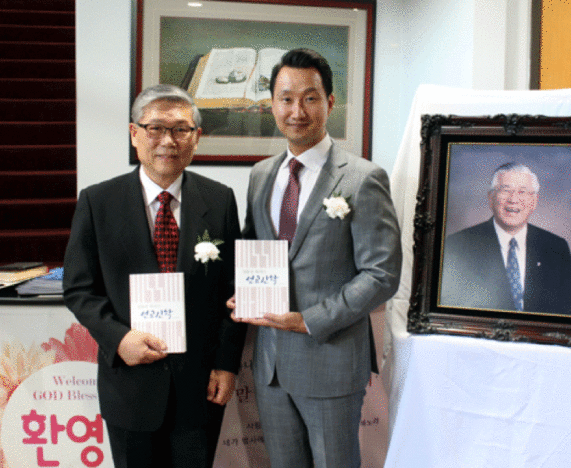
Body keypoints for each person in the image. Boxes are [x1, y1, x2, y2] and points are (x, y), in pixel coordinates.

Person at [228, 49, 402, 468]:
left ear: (330, 102)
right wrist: (241, 290)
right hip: (270, 367)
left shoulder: (362, 178)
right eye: (286, 99)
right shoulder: (261, 175)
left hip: (331, 362)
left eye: (310, 98)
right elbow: (255, 246)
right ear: (272, 104)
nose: (297, 111)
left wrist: (309, 320)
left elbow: (382, 274)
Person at [63, 84, 247, 468]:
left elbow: (234, 289)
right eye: (155, 128)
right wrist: (119, 339)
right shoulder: (98, 202)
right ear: (134, 134)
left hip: (200, 384)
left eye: (181, 129)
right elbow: (79, 288)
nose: (168, 141)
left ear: (196, 137)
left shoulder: (220, 200)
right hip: (130, 384)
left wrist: (227, 364)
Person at [440, 162, 571, 316]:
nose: (513, 199)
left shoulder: (556, 249)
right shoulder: (458, 245)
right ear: (491, 198)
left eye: (522, 192)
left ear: (534, 201)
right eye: (506, 190)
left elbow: (568, 310)